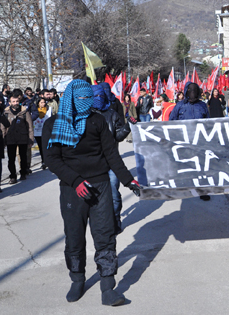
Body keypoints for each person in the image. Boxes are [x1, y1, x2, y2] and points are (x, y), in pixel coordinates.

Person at [43, 79, 140, 305]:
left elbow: (111, 155)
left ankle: (108, 287)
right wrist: (76, 181)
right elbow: (52, 160)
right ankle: (77, 279)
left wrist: (129, 180)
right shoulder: (53, 125)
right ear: (71, 100)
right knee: (74, 237)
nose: (87, 102)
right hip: (72, 189)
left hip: (100, 186)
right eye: (82, 99)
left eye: (90, 98)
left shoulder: (96, 121)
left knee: (105, 236)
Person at [91, 84, 133, 234]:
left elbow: (118, 136)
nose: (98, 99)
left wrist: (128, 127)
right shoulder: (86, 116)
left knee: (114, 194)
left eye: (101, 96)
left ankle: (116, 220)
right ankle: (102, 223)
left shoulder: (112, 114)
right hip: (94, 163)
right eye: (95, 96)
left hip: (111, 162)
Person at [169, 83, 210, 201]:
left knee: (201, 167)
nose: (193, 93)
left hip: (199, 142)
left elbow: (209, 123)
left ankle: (202, 190)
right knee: (184, 165)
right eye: (190, 91)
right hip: (183, 142)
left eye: (195, 91)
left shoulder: (202, 105)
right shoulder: (179, 106)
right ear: (186, 91)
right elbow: (171, 121)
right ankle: (183, 188)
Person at [1, 93, 33, 184]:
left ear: (19, 102)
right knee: (11, 158)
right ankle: (13, 176)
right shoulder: (6, 113)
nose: (15, 103)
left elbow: (30, 127)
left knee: (23, 157)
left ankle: (23, 172)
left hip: (22, 138)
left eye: (17, 101)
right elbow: (3, 127)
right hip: (10, 138)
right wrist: (3, 140)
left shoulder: (24, 112)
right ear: (10, 102)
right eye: (13, 101)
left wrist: (30, 139)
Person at [33, 97, 52, 170]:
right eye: (41, 102)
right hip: (37, 131)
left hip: (46, 131)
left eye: (44, 102)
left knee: (46, 147)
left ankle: (48, 161)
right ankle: (43, 161)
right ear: (38, 103)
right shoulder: (35, 111)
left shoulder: (48, 109)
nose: (43, 104)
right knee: (41, 147)